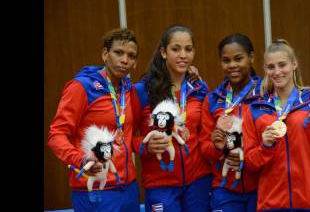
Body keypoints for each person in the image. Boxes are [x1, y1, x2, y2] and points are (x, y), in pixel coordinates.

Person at [242, 39, 310, 211]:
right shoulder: (255, 109)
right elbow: (250, 163)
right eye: (271, 67)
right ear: (265, 69)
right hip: (272, 204)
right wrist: (265, 146)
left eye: (282, 65)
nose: (277, 72)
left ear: (294, 64)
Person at [47, 28, 142, 211]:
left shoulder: (128, 89)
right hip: (95, 189)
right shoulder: (82, 87)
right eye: (118, 53)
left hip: (128, 188)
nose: (124, 60)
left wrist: (190, 75)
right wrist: (81, 161)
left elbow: (131, 136)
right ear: (105, 54)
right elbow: (56, 135)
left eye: (131, 56)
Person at [132, 24, 212, 212]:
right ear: (163, 52)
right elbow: (125, 136)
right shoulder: (143, 91)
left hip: (198, 182)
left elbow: (206, 133)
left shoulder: (200, 89)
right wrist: (144, 145)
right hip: (161, 184)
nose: (183, 55)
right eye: (176, 49)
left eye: (188, 49)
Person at [199, 33, 262, 212]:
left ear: (251, 57)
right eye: (226, 60)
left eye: (238, 59)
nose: (232, 65)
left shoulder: (267, 95)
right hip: (225, 189)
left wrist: (247, 157)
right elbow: (204, 147)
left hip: (260, 186)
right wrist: (217, 146)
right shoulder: (212, 100)